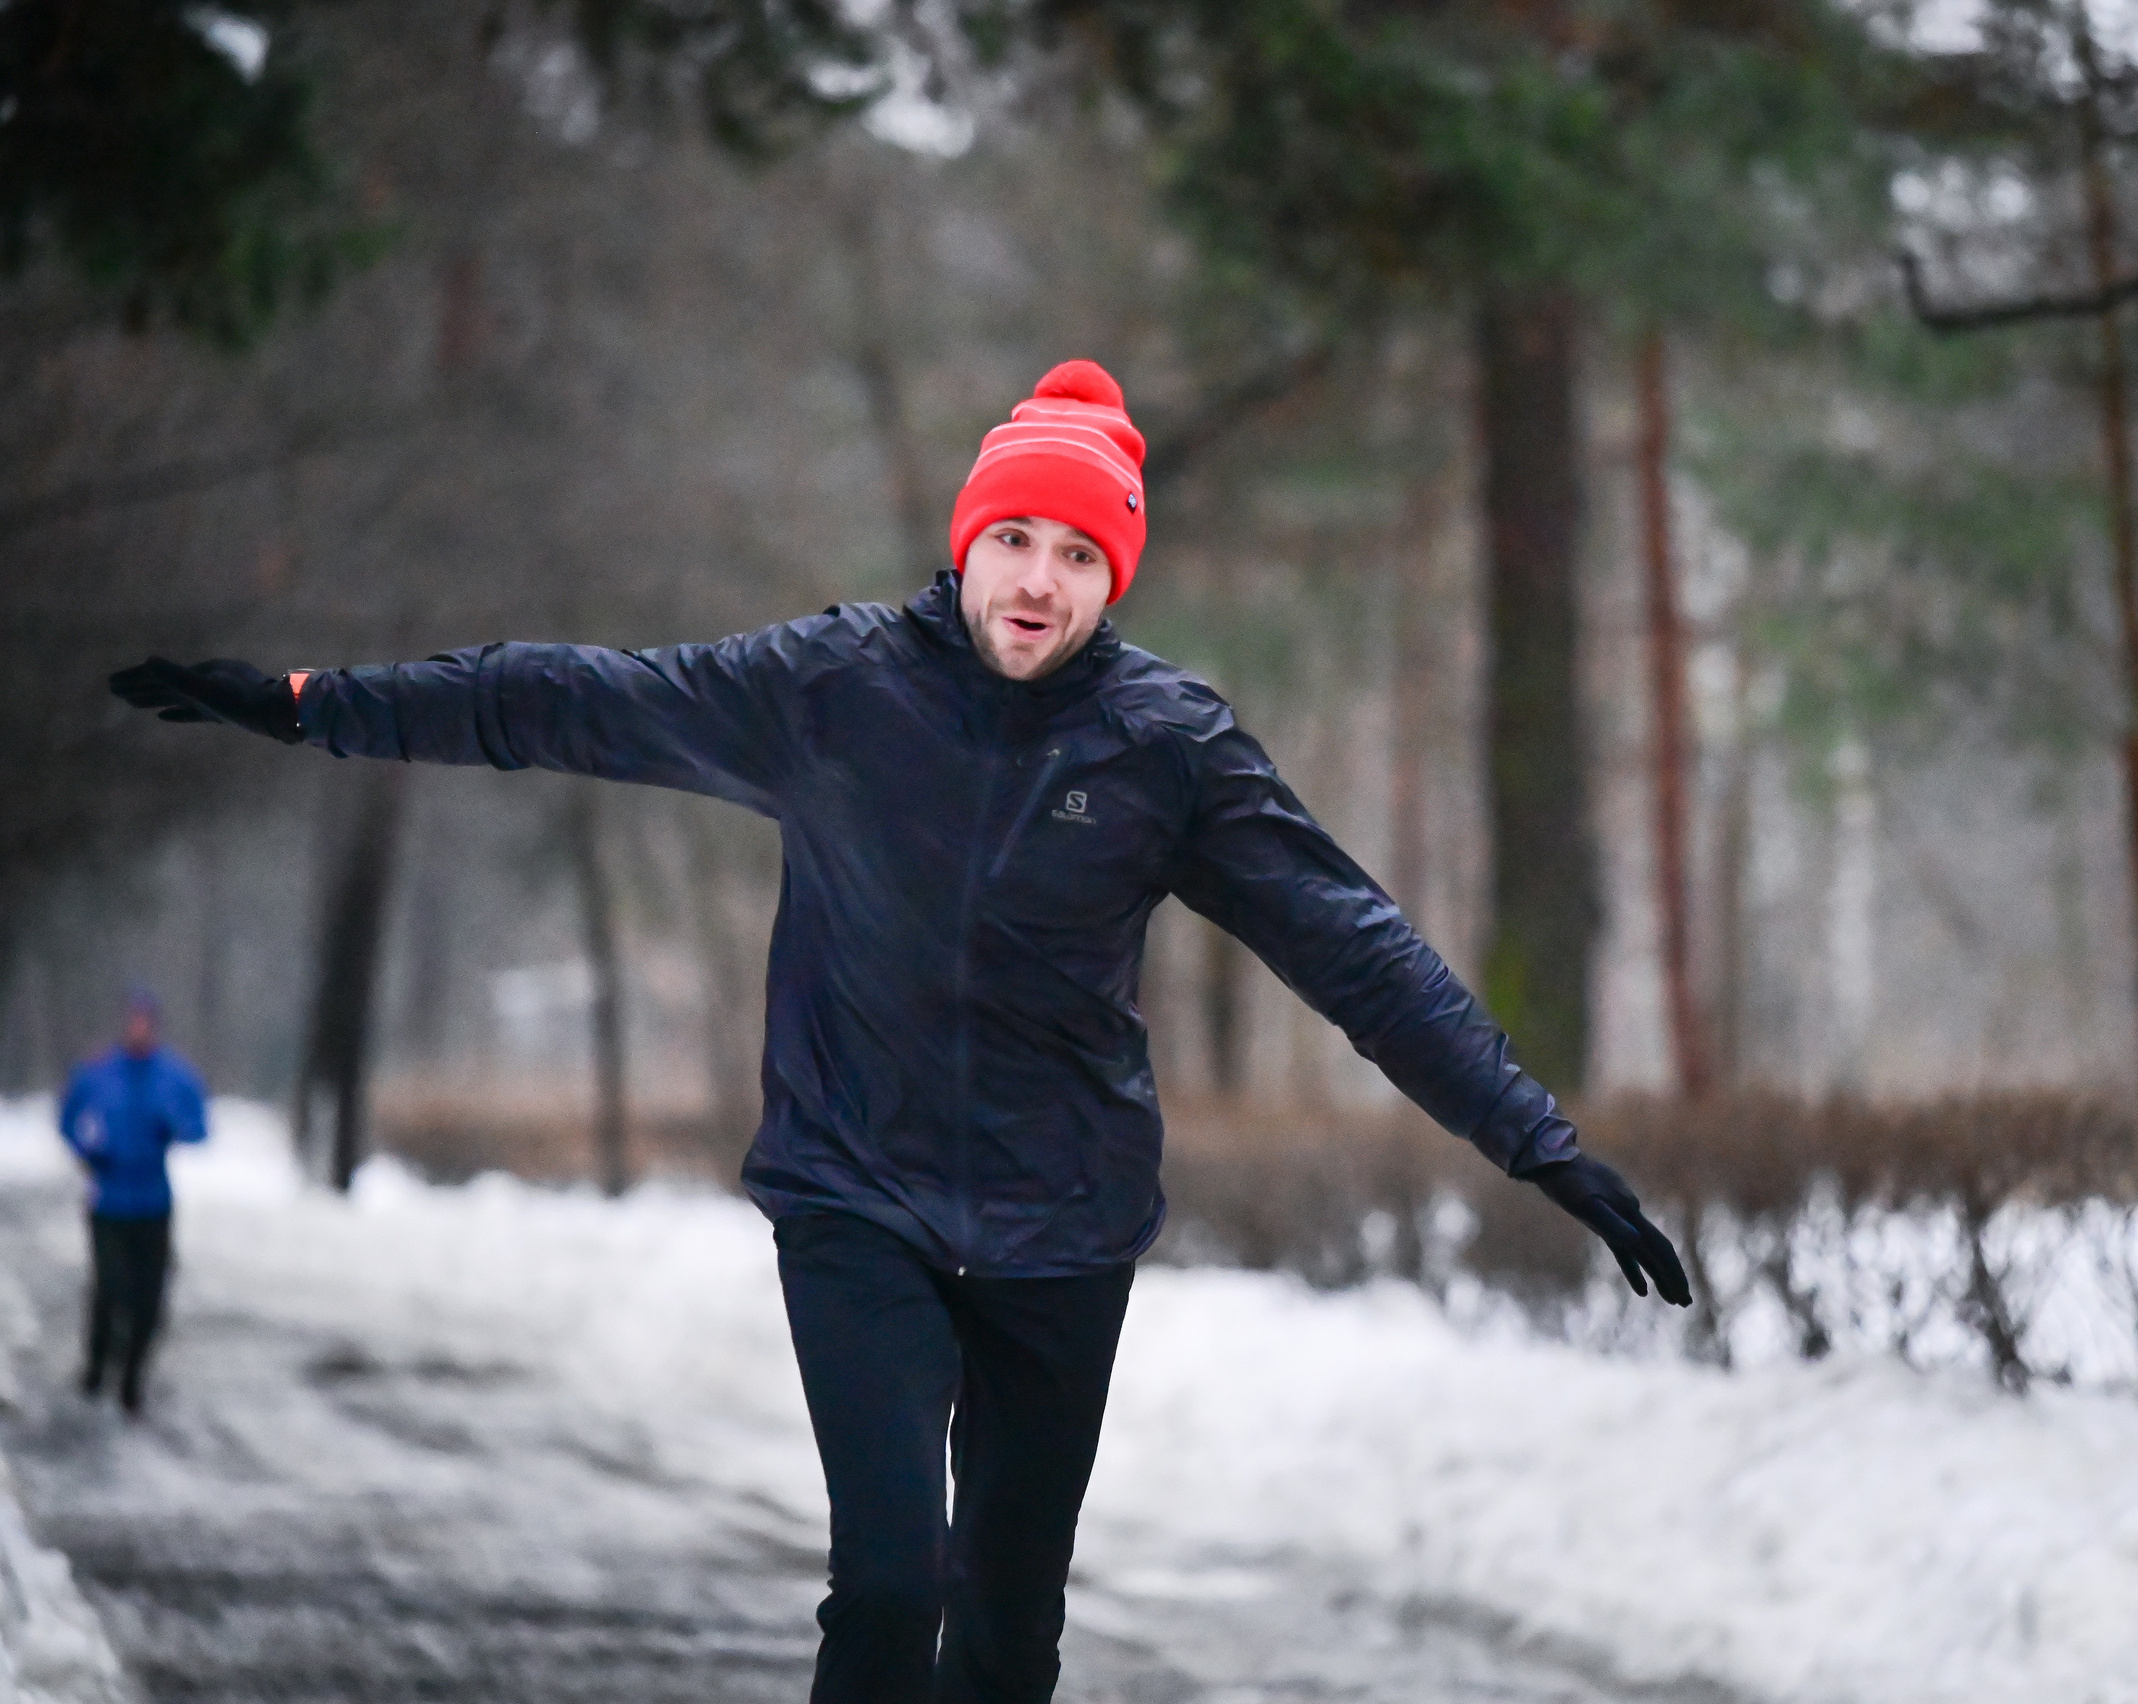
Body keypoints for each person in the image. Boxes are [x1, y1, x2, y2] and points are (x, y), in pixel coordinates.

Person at [107, 358, 1692, 1703]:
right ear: (967, 541)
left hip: (1061, 1228)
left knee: (1006, 1635)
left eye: (1076, 555)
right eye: (1013, 539)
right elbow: (567, 699)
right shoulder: (833, 690)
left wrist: (1535, 1140)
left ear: (1113, 579)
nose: (1037, 581)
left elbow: (1357, 951)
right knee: (888, 1584)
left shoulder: (1169, 750)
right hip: (856, 1195)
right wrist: (313, 703)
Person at [57, 989, 208, 1414]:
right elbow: (68, 1119)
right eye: (133, 1021)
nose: (139, 1029)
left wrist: (174, 1127)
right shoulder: (98, 1073)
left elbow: (199, 1126)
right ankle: (95, 1365)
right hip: (108, 1202)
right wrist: (88, 1152)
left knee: (149, 1296)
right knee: (109, 1287)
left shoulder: (174, 1076)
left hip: (153, 1203)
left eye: (147, 1022)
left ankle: (132, 1377)